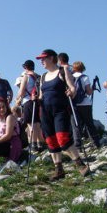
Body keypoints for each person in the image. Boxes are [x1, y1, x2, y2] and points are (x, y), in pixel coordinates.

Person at [36, 49, 90, 180]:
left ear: (52, 58)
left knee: (63, 139)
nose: (42, 61)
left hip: (60, 110)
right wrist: (35, 98)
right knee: (51, 141)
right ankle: (59, 169)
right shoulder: (42, 77)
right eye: (41, 59)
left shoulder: (62, 71)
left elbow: (72, 87)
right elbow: (41, 96)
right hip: (45, 112)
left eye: (44, 58)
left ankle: (80, 164)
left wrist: (71, 92)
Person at [60, 55, 101, 149]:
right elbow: (89, 92)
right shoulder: (85, 77)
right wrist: (93, 88)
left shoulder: (70, 77)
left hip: (74, 103)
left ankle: (78, 144)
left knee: (75, 125)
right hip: (86, 103)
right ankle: (95, 142)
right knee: (89, 123)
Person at [15, 60, 46, 151]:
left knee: (30, 124)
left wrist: (17, 99)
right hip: (37, 101)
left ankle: (33, 144)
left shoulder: (26, 76)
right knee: (37, 123)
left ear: (25, 67)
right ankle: (41, 143)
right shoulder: (39, 76)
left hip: (28, 101)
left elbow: (21, 92)